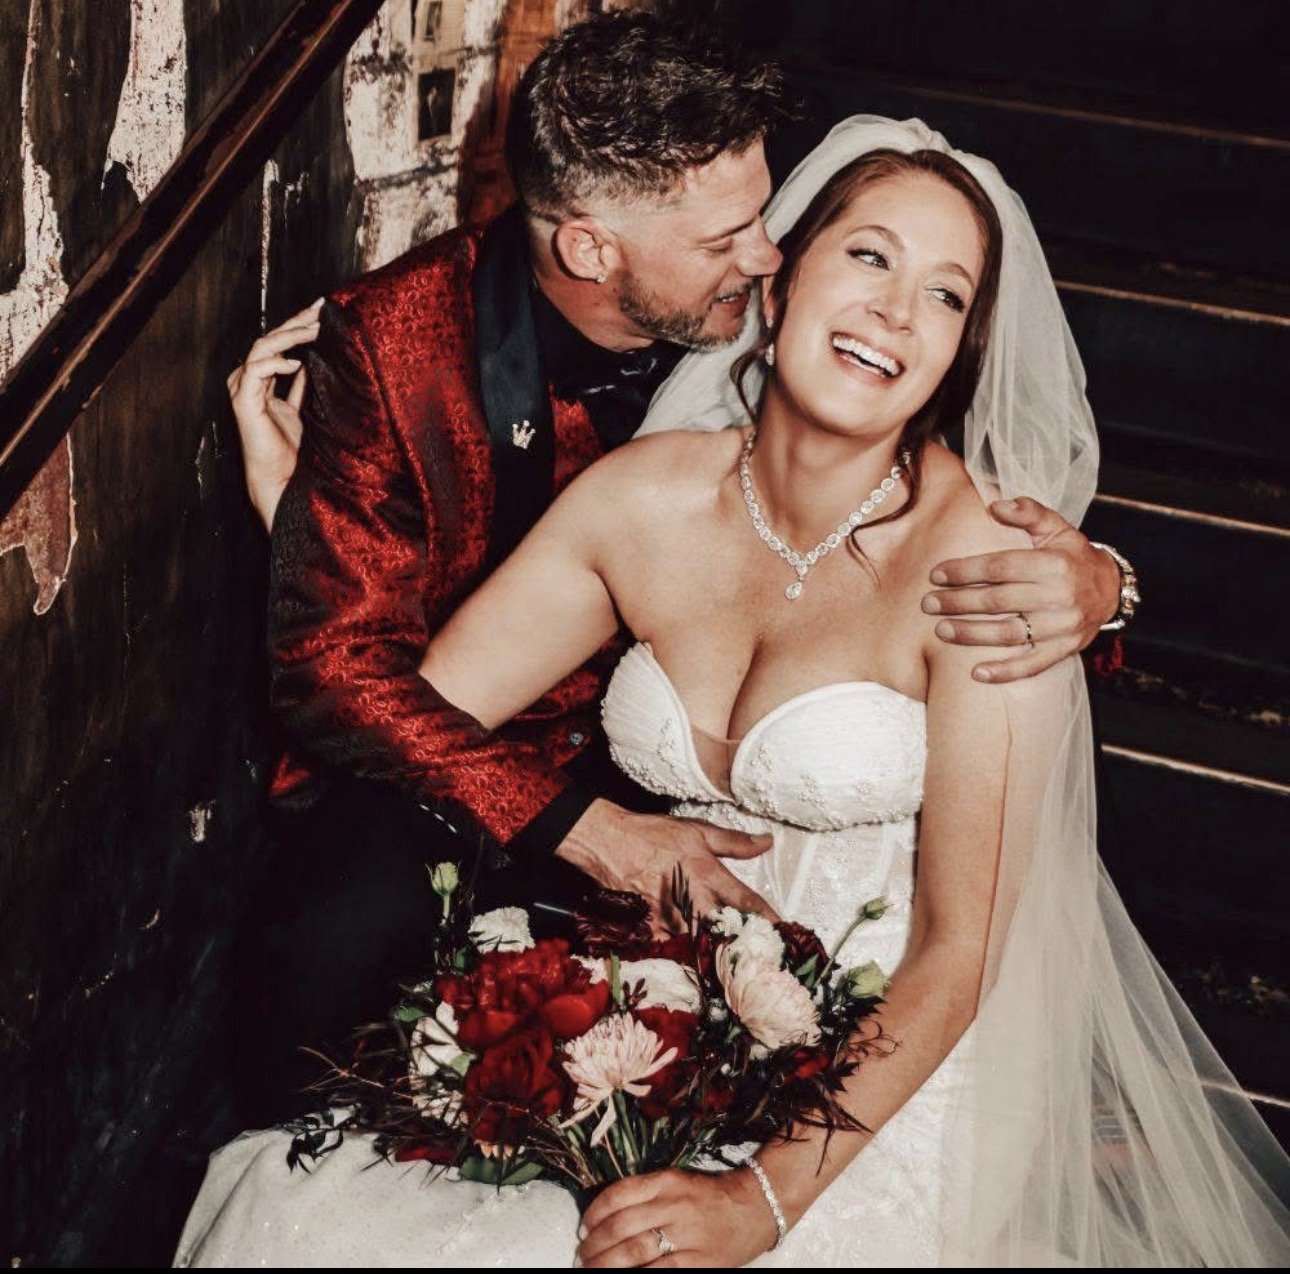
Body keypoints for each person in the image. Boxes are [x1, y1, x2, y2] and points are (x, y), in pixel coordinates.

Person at [177, 117, 1287, 1268]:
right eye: (869, 258)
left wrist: (760, 1197)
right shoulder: (641, 499)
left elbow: (960, 956)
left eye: (947, 296)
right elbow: (426, 711)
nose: (897, 314)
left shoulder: (990, 574)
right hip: (651, 1012)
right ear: (782, 269)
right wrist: (308, 530)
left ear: (962, 352)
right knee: (321, 1221)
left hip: (882, 1068)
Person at [231, 14, 1127, 1126]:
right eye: (732, 239)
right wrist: (305, 536)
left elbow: (980, 602)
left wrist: (1101, 585)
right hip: (507, 773)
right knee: (327, 935)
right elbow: (342, 669)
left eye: (770, 221)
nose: (766, 253)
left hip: (717, 826)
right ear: (592, 251)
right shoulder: (402, 349)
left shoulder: (787, 330)